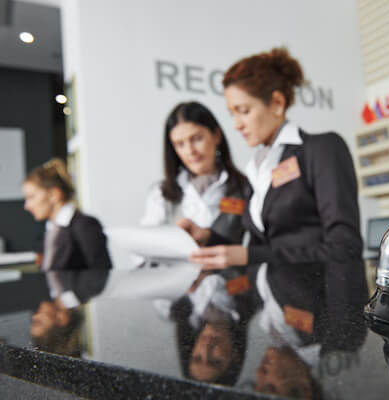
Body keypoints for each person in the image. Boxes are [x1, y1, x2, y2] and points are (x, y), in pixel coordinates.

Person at [189, 48, 368, 332]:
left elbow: (344, 246)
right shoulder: (256, 168)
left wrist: (251, 256)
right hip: (276, 308)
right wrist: (206, 237)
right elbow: (259, 239)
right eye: (232, 113)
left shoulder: (321, 149)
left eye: (243, 111)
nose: (236, 124)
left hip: (322, 310)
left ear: (276, 103)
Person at [140, 101, 247, 249]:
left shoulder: (245, 188)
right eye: (180, 144)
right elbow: (145, 246)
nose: (190, 151)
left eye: (196, 139)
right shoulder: (161, 193)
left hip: (232, 272)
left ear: (216, 136)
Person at [23, 158, 112, 270]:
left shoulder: (85, 226)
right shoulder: (53, 230)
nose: (27, 206)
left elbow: (100, 274)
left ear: (54, 195)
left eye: (31, 197)